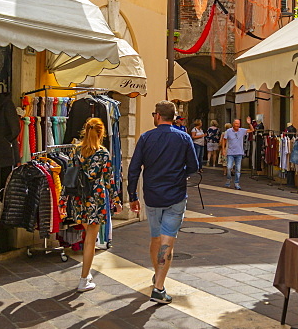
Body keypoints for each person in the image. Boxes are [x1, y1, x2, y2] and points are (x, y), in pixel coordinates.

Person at [127, 101, 200, 304]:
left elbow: (134, 169)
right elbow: (194, 166)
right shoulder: (184, 138)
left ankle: (158, 277)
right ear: (173, 117)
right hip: (175, 195)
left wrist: (132, 196)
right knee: (168, 240)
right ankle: (159, 286)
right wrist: (179, 175)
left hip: (152, 196)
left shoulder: (146, 138)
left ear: (158, 116)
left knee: (155, 238)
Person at [60, 118, 121, 292]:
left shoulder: (76, 151)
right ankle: (83, 279)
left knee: (88, 236)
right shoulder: (103, 154)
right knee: (90, 242)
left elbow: (69, 178)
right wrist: (116, 201)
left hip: (79, 199)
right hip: (97, 198)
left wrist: (62, 200)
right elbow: (109, 180)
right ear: (101, 133)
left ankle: (86, 275)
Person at [220, 117, 254, 190]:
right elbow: (224, 140)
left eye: (238, 124)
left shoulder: (242, 130)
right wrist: (223, 149)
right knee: (229, 167)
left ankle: (237, 183)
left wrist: (249, 124)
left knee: (238, 169)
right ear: (233, 124)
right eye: (236, 123)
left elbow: (252, 130)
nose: (237, 125)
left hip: (239, 153)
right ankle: (229, 179)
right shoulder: (228, 131)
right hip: (230, 153)